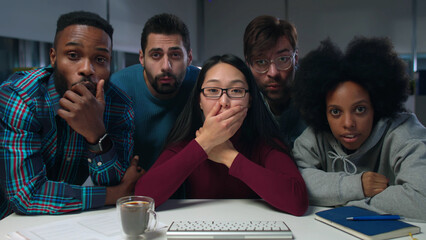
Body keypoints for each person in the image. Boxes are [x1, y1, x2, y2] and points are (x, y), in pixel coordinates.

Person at [0, 11, 143, 219]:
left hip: (74, 222)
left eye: (100, 59)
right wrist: (113, 195)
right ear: (53, 57)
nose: (87, 69)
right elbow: (25, 196)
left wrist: (96, 133)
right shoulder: (21, 97)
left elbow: (113, 179)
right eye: (73, 55)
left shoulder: (119, 105)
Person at [134, 54, 308, 216]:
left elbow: (298, 201)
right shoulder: (186, 142)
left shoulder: (264, 142)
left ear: (250, 100)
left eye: (236, 91)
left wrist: (229, 157)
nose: (224, 102)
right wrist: (203, 144)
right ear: (199, 101)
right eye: (212, 91)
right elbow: (142, 198)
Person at [292, 37, 426, 221]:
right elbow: (293, 180)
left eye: (360, 109)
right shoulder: (317, 135)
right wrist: (357, 186)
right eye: (336, 111)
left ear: (377, 106)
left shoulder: (404, 132)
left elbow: (422, 199)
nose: (348, 123)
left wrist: (347, 206)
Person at [110, 13, 200, 170]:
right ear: (142, 58)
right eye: (156, 55)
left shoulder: (202, 84)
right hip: (136, 186)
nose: (166, 66)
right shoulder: (119, 87)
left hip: (188, 186)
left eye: (175, 55)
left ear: (189, 58)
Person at [243, 15, 306, 148]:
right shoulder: (241, 103)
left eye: (283, 59)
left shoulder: (318, 97)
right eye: (261, 62)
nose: (273, 73)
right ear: (248, 64)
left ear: (296, 58)